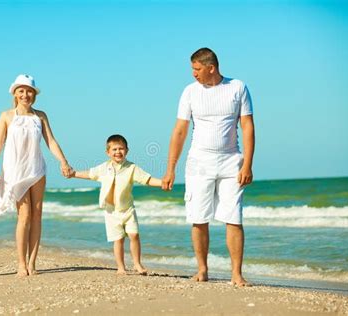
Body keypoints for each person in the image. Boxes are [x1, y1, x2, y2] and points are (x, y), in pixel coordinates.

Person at [162, 48, 255, 286]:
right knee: (199, 217)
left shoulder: (238, 87)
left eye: (196, 69)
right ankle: (202, 270)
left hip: (231, 161)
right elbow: (180, 131)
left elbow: (247, 127)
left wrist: (247, 164)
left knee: (234, 217)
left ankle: (236, 274)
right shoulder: (190, 92)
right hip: (199, 162)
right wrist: (170, 168)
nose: (193, 74)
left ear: (211, 67)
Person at [0, 74, 73, 277]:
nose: (26, 95)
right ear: (15, 93)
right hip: (16, 172)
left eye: (29, 91)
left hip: (37, 169)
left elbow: (51, 141)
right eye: (22, 91)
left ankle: (32, 263)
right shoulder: (6, 116)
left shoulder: (40, 116)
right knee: (24, 216)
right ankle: (20, 263)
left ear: (34, 94)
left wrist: (64, 161)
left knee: (37, 215)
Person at [70, 134, 162, 275]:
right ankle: (121, 267)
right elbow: (89, 174)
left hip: (128, 210)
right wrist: (73, 173)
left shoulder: (132, 168)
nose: (118, 152)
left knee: (134, 236)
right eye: (114, 149)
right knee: (118, 240)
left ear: (127, 150)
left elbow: (147, 180)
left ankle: (137, 264)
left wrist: (163, 183)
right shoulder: (104, 168)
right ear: (108, 152)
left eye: (121, 149)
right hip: (111, 212)